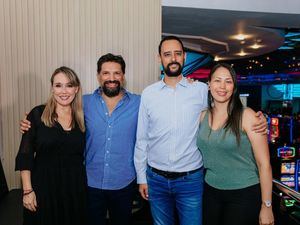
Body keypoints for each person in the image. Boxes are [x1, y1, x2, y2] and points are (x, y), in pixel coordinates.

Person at [134, 36, 267, 225]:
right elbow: (141, 139)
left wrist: (261, 120)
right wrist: (141, 178)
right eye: (167, 54)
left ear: (184, 57)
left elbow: (226, 110)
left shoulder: (199, 90)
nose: (173, 58)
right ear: (159, 58)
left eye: (177, 54)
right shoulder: (148, 94)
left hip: (191, 181)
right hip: (156, 180)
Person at [20, 54, 140, 225]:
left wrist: (188, 84)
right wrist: (28, 123)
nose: (111, 78)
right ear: (98, 76)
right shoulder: (85, 104)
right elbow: (28, 151)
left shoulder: (139, 102)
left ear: (123, 76)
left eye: (116, 73)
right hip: (84, 185)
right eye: (106, 73)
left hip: (114, 183)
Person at [197, 63, 274, 225]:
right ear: (209, 84)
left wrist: (267, 206)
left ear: (234, 86)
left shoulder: (248, 116)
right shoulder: (202, 116)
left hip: (244, 193)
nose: (222, 86)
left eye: (228, 81)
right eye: (217, 80)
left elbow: (264, 164)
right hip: (210, 191)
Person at [15, 66, 87, 225]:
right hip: (43, 189)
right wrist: (27, 191)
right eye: (58, 85)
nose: (64, 91)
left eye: (69, 85)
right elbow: (25, 155)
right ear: (52, 88)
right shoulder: (37, 114)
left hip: (75, 190)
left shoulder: (83, 118)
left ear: (76, 89)